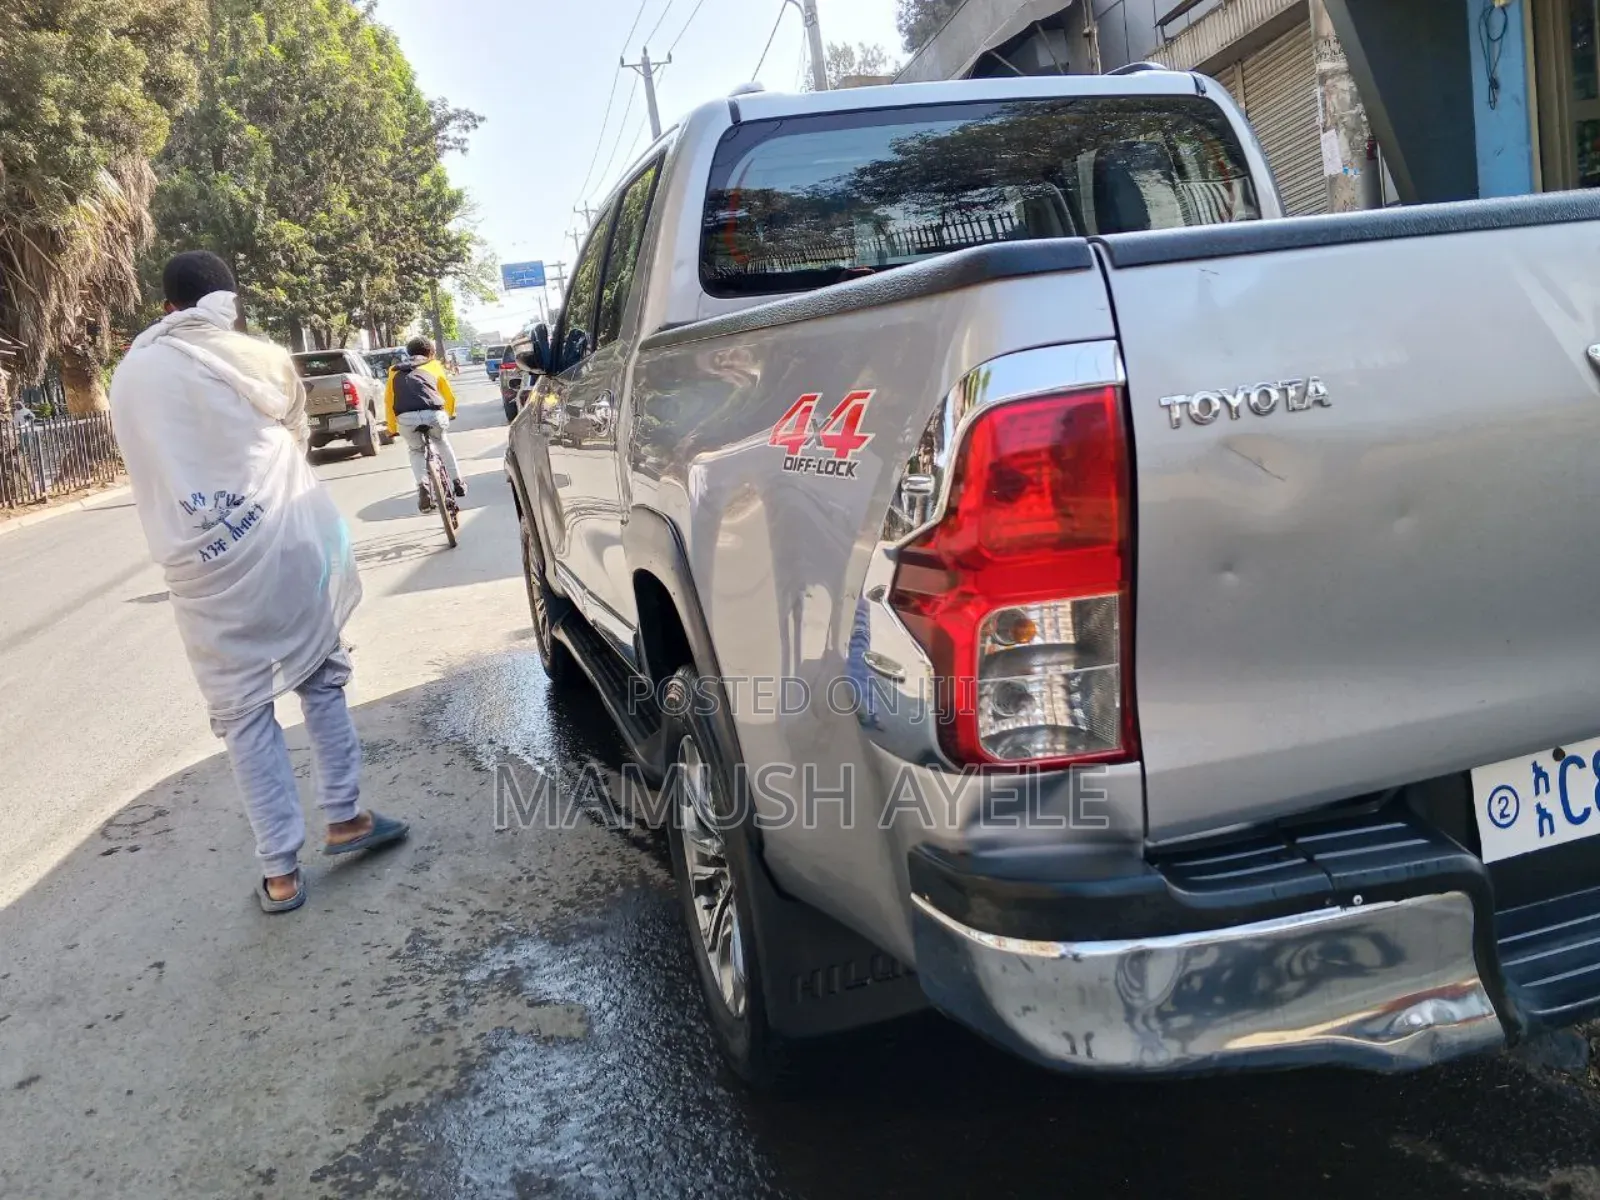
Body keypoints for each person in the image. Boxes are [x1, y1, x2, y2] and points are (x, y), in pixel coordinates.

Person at [109, 250, 408, 915]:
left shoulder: (129, 375)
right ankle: (346, 816)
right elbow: (292, 432)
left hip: (199, 561)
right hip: (282, 536)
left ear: (166, 309)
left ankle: (279, 871)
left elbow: (149, 465)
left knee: (243, 710)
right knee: (322, 674)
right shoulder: (255, 355)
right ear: (230, 301)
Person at [385, 336, 465, 512]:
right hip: (433, 415)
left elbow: (389, 401)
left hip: (406, 418)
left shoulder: (394, 370)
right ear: (430, 352)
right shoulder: (434, 365)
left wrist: (391, 429)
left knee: (416, 450)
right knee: (441, 441)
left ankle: (423, 486)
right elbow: (448, 394)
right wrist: (451, 413)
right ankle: (457, 481)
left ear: (409, 353)